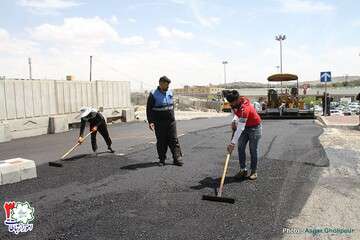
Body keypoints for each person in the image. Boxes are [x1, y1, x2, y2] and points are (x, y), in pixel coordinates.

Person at [146, 76, 183, 166]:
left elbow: (171, 105)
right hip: (159, 122)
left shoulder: (170, 92)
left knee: (174, 140)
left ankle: (177, 158)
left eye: (168, 85)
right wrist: (151, 122)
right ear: (160, 83)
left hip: (171, 122)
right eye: (166, 85)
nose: (168, 87)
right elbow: (149, 109)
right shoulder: (153, 94)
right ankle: (162, 159)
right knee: (161, 141)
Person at [226, 90, 262, 180]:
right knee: (240, 147)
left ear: (237, 100)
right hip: (245, 126)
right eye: (230, 103)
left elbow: (240, 128)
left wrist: (232, 143)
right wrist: (234, 121)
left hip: (255, 128)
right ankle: (243, 170)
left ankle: (254, 171)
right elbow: (235, 114)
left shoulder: (245, 108)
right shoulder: (234, 104)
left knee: (253, 149)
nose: (231, 105)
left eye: (232, 103)